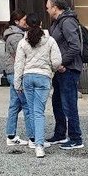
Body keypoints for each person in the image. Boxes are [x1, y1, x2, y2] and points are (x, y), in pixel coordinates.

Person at [14, 13, 61, 158]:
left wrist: (17, 83)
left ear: (26, 25)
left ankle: (34, 139)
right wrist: (51, 70)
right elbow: (57, 61)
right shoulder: (50, 40)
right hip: (43, 77)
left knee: (32, 110)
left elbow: (19, 64)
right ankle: (39, 145)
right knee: (39, 111)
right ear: (41, 23)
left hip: (28, 77)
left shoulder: (23, 42)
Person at [46, 0, 84, 150]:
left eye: (48, 6)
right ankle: (60, 133)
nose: (47, 9)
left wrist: (62, 63)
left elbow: (75, 46)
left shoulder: (67, 22)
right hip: (60, 69)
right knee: (58, 102)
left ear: (55, 7)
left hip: (68, 68)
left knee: (69, 103)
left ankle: (76, 138)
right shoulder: (58, 22)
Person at [2, 10, 29, 148]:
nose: (26, 22)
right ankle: (33, 137)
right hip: (16, 72)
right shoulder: (16, 37)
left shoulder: (11, 34)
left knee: (14, 105)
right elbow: (21, 55)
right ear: (17, 22)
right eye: (24, 20)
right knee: (27, 104)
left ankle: (11, 135)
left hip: (11, 71)